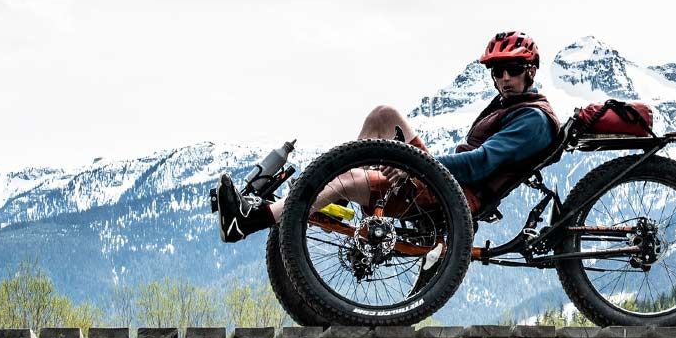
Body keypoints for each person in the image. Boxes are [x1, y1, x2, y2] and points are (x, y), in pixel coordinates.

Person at [213, 30, 561, 242]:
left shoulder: (531, 119)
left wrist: (414, 167)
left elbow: (479, 164)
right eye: (496, 71)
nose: (503, 77)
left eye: (512, 70)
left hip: (453, 196)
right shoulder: (514, 105)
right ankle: (328, 190)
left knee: (348, 178)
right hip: (444, 183)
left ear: (531, 71)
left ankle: (249, 222)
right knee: (384, 116)